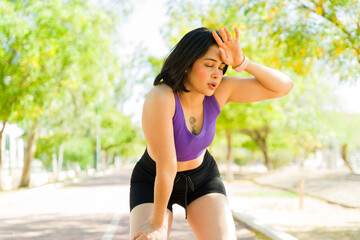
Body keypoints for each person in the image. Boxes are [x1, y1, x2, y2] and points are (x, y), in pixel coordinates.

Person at [129, 27, 294, 240]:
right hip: (154, 178)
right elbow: (167, 166)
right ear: (187, 64)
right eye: (209, 65)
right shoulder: (161, 96)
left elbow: (284, 87)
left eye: (222, 67)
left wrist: (242, 62)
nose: (217, 73)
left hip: (202, 178)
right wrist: (156, 225)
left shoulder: (221, 90)